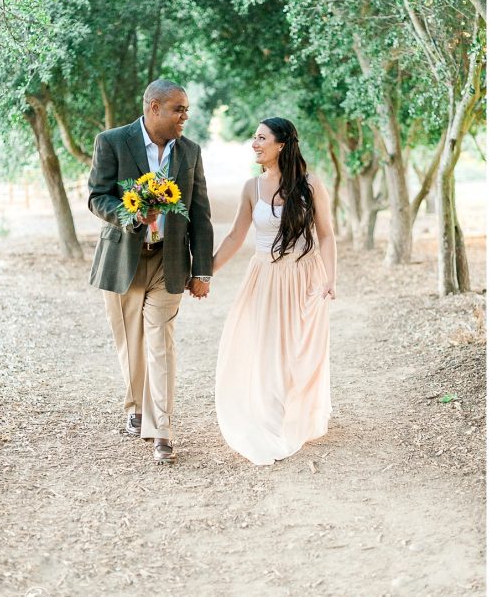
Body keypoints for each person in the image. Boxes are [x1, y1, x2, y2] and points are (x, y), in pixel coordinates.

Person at [87, 79, 213, 464]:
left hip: (169, 261)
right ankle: (134, 405)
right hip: (123, 258)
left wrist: (202, 270)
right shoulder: (111, 141)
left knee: (161, 344)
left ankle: (162, 430)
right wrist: (131, 215)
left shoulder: (189, 152)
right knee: (132, 344)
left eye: (186, 109)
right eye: (178, 109)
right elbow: (97, 197)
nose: (185, 117)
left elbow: (200, 213)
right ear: (154, 107)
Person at [213, 117, 336, 466]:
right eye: (254, 137)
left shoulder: (310, 185)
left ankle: (296, 413)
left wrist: (330, 277)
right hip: (264, 277)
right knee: (265, 344)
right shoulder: (251, 188)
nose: (254, 143)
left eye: (261, 137)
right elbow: (236, 237)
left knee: (299, 348)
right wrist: (205, 272)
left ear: (281, 144)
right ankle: (268, 415)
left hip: (303, 276)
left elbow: (326, 234)